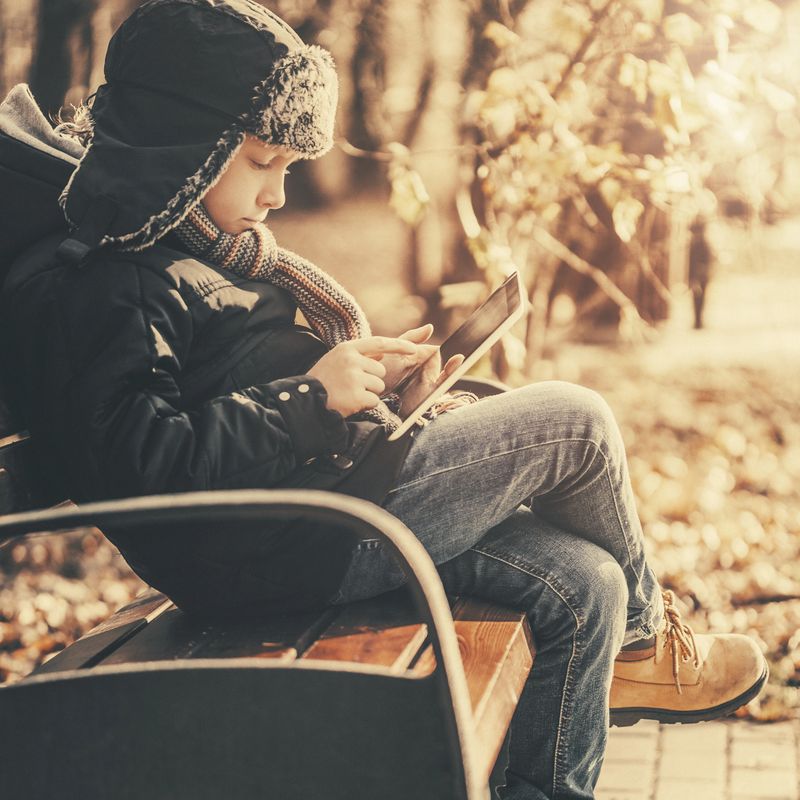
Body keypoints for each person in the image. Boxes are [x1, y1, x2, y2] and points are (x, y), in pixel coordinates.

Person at [0, 1, 767, 798]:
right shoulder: (105, 279)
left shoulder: (180, 249)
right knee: (576, 422)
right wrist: (311, 398)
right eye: (263, 162)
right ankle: (645, 653)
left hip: (306, 505)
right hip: (271, 540)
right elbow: (143, 464)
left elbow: (223, 383)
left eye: (289, 169)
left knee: (586, 586)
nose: (277, 196)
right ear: (184, 150)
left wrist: (361, 383)